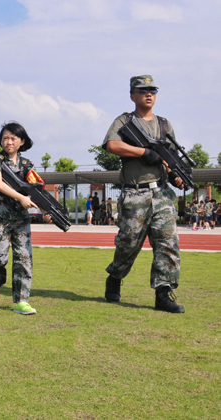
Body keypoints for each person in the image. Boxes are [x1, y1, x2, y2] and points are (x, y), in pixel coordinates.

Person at [101, 75, 185, 313]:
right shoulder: (124, 120)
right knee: (128, 243)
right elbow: (112, 145)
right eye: (143, 90)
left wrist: (175, 175)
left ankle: (163, 293)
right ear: (132, 95)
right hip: (135, 194)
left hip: (162, 193)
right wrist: (143, 152)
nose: (149, 94)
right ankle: (115, 276)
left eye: (153, 90)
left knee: (167, 244)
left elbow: (170, 160)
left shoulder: (165, 125)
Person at [0, 122, 52, 315]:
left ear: (22, 141)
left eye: (13, 138)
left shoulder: (27, 165)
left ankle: (21, 301)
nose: (9, 142)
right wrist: (21, 197)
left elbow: (37, 190)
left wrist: (46, 211)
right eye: (5, 138)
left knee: (24, 258)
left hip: (20, 218)